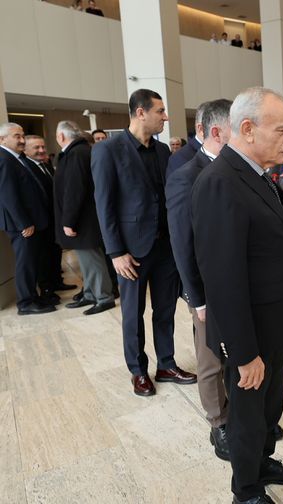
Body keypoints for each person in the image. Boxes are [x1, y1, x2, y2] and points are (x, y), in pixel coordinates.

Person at [192, 87, 283, 504]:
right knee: (246, 415)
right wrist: (243, 354)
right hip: (250, 336)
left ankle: (262, 462)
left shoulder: (255, 174)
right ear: (247, 128)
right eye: (282, 129)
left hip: (273, 326)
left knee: (268, 410)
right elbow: (223, 278)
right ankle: (246, 489)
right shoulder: (220, 182)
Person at [92, 88, 197, 397]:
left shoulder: (163, 151)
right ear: (141, 113)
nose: (166, 116)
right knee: (133, 314)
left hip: (165, 248)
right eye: (160, 111)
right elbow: (104, 205)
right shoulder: (108, 150)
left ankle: (166, 364)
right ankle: (138, 371)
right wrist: (116, 252)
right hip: (131, 251)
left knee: (165, 310)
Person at [166, 99, 233, 461]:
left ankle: (240, 415)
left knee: (238, 353)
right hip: (207, 288)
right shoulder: (185, 175)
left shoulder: (237, 168)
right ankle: (218, 423)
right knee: (210, 360)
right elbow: (182, 243)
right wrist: (198, 299)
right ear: (216, 131)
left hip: (238, 282)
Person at [54, 120, 115, 315]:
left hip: (83, 219)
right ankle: (90, 294)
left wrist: (68, 220)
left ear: (61, 136)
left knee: (92, 260)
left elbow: (74, 190)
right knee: (86, 260)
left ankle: (103, 297)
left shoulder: (77, 153)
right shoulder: (79, 151)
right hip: (83, 217)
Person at [0, 123, 55, 315]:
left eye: (22, 135)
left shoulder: (16, 158)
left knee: (32, 261)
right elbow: (8, 196)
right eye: (17, 136)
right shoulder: (4, 159)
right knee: (25, 263)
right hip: (22, 225)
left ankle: (33, 296)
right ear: (2, 139)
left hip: (30, 221)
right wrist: (23, 223)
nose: (22, 140)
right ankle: (25, 303)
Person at [25, 134, 76, 295]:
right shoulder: (26, 167)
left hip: (53, 219)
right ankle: (47, 288)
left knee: (55, 252)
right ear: (25, 150)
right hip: (39, 221)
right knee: (44, 257)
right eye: (36, 147)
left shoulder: (45, 165)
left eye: (43, 147)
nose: (42, 150)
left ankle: (57, 282)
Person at [167, 103, 206, 177]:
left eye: (177, 144)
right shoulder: (179, 158)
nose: (175, 146)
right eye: (173, 144)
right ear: (200, 129)